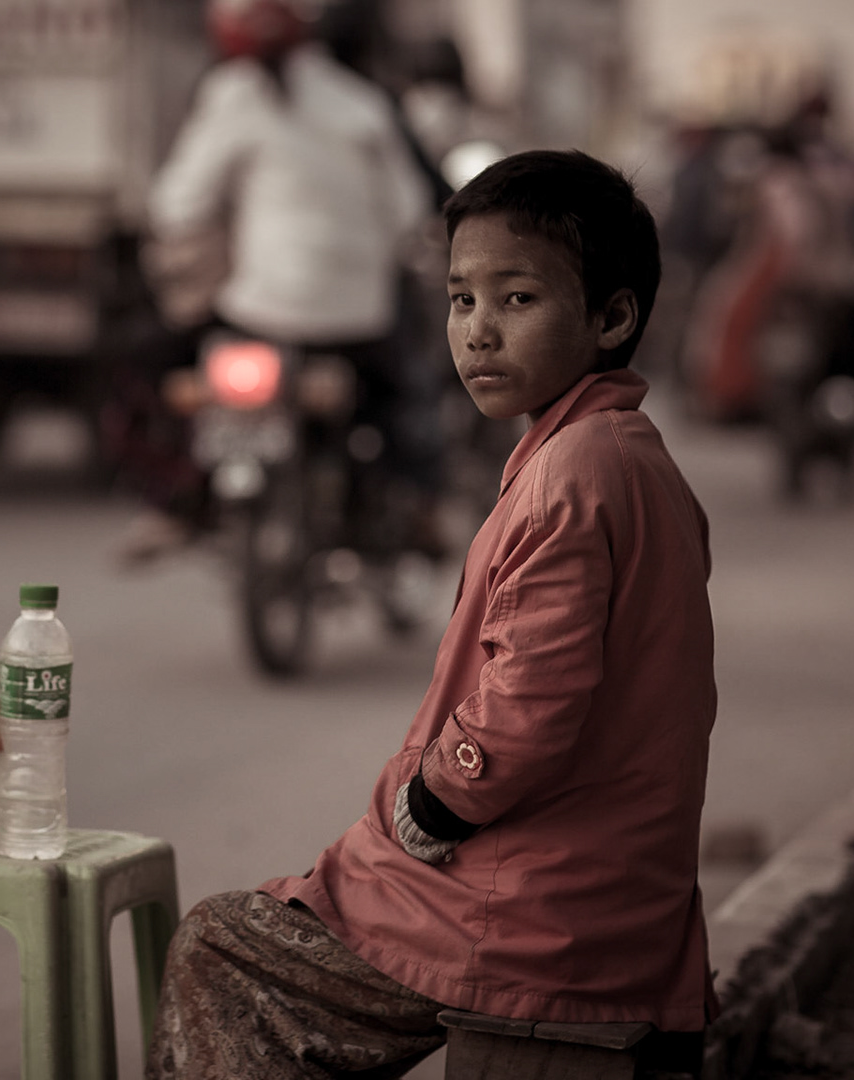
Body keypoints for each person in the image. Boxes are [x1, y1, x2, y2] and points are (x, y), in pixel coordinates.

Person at [145, 151, 717, 1078]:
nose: (479, 333)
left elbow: (529, 702)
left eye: (518, 300)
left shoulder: (570, 479)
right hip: (593, 892)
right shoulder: (624, 456)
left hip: (528, 919)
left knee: (223, 949)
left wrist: (428, 806)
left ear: (613, 317)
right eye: (461, 301)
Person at [115, 0, 432, 563]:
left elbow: (178, 202)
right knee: (399, 395)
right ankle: (413, 508)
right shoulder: (361, 102)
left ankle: (173, 501)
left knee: (153, 363)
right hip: (359, 315)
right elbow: (407, 212)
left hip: (260, 309)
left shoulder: (232, 95)